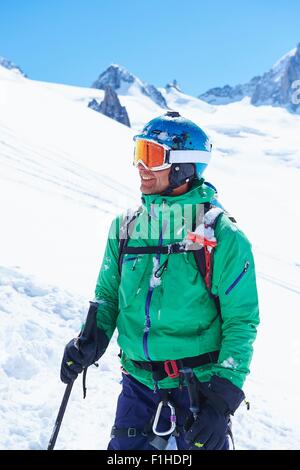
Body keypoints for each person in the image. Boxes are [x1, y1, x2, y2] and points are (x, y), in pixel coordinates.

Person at [60, 111, 259, 450]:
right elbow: (107, 297)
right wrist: (89, 341)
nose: (140, 166)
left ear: (184, 166)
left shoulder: (222, 235)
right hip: (138, 387)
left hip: (200, 391)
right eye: (139, 153)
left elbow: (242, 322)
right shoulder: (125, 228)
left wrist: (221, 400)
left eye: (152, 156)